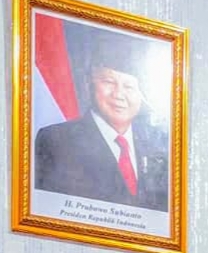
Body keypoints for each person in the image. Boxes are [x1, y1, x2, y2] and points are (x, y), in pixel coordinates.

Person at [33, 38, 169, 211]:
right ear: (89, 83)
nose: (119, 95)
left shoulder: (159, 147)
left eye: (129, 86)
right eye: (109, 82)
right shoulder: (56, 141)